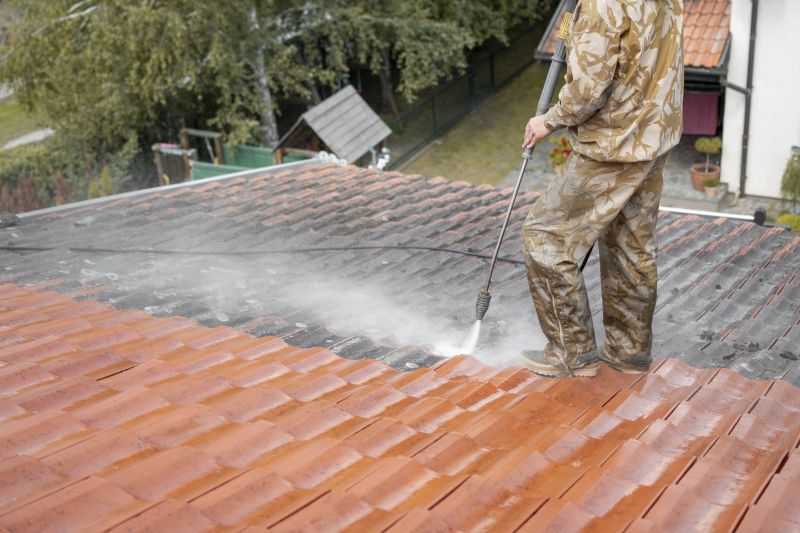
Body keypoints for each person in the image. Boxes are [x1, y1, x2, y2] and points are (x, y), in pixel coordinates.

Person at [519, 0, 684, 378]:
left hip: (612, 145)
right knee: (631, 245)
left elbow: (589, 88)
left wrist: (550, 120)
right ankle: (629, 353)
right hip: (653, 140)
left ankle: (571, 351)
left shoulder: (600, 3)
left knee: (545, 236)